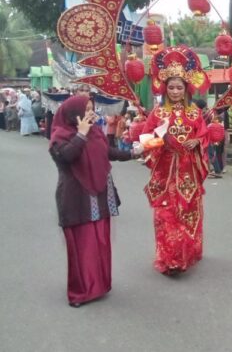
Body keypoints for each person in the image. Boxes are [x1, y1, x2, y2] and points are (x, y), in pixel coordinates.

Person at [49, 95, 142, 306]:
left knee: (99, 242)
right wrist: (81, 134)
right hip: (76, 198)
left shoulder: (96, 132)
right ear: (73, 114)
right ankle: (80, 292)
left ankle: (99, 285)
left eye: (92, 109)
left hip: (100, 194)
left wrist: (135, 153)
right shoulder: (60, 135)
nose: (90, 113)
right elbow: (65, 157)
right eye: (86, 110)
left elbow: (109, 152)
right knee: (82, 246)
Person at [141, 46, 210, 276]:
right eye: (171, 87)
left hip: (188, 172)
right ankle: (169, 258)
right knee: (166, 214)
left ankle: (186, 254)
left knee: (187, 212)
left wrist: (197, 142)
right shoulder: (157, 114)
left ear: (186, 88)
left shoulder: (194, 113)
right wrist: (161, 141)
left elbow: (204, 135)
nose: (175, 91)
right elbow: (146, 139)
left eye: (179, 87)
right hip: (165, 173)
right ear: (165, 88)